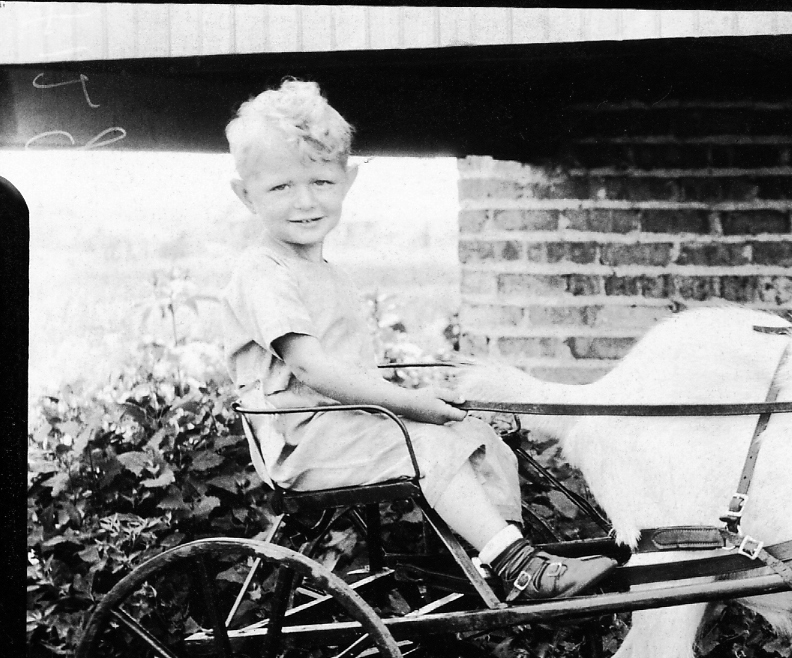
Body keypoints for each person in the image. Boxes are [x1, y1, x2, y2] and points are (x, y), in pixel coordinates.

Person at [220, 80, 614, 601]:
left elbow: (350, 373)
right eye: (281, 188)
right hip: (304, 443)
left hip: (350, 426)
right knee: (429, 444)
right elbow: (314, 371)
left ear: (348, 180)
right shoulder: (264, 273)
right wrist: (417, 407)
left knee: (478, 437)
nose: (305, 202)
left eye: (321, 182)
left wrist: (432, 405)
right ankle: (518, 567)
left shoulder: (325, 272)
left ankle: (496, 558)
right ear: (245, 195)